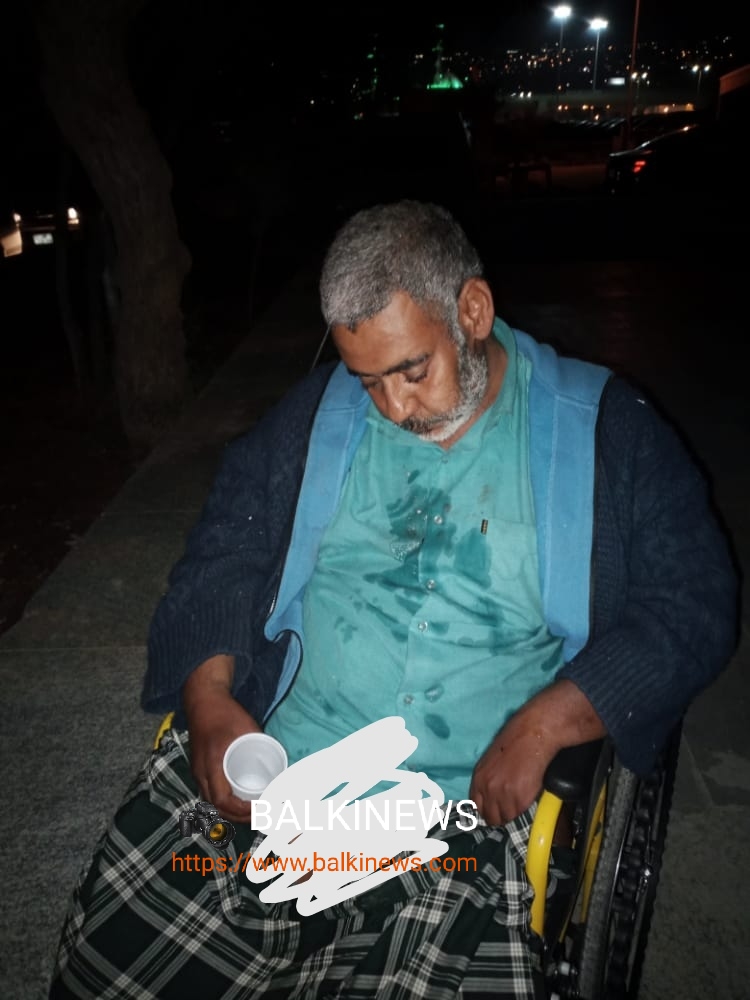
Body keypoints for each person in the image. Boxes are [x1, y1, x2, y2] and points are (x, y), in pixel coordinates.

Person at [50, 199, 738, 999]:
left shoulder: (608, 430)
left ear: (472, 310)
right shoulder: (318, 417)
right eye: (367, 380)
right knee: (115, 965)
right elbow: (223, 550)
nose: (394, 408)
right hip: (285, 779)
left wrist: (553, 718)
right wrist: (208, 698)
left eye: (413, 370)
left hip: (454, 822)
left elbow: (693, 601)